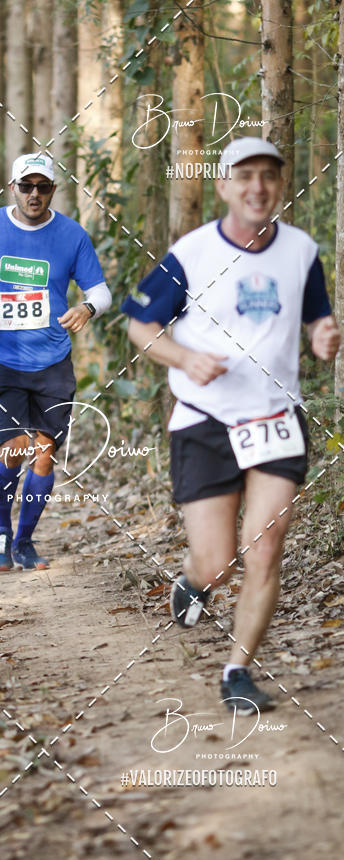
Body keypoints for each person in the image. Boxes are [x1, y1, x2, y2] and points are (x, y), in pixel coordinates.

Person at [122, 137, 340, 715]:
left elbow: (319, 318)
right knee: (218, 560)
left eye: (268, 175)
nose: (258, 187)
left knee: (264, 549)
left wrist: (324, 336)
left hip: (274, 416)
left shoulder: (300, 250)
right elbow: (140, 327)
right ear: (223, 186)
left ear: (278, 185)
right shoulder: (191, 255)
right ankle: (195, 581)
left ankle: (237, 670)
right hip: (205, 419)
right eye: (245, 176)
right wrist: (184, 357)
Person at [0, 153, 112, 571]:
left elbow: (101, 291)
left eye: (43, 187)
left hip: (53, 360)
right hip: (0, 357)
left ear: (53, 190)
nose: (34, 194)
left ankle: (24, 542)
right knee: (15, 447)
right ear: (12, 188)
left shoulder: (71, 235)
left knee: (44, 453)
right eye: (26, 186)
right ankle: (1, 526)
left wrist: (87, 309)